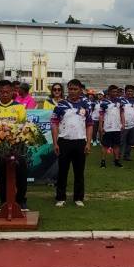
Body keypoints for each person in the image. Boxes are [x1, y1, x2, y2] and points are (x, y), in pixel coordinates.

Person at [0, 79, 30, 211]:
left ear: (12, 92)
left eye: (7, 92)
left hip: (17, 146)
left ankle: (21, 201)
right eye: (2, 92)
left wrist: (13, 135)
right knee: (2, 175)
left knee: (21, 174)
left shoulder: (19, 107)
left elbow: (23, 126)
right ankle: (4, 201)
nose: (5, 94)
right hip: (0, 147)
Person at [52, 78, 94, 208]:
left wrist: (88, 143)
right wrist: (55, 143)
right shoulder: (61, 105)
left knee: (79, 172)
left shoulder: (86, 104)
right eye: (70, 89)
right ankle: (60, 197)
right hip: (64, 142)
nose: (72, 91)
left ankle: (78, 198)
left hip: (80, 142)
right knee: (62, 171)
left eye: (75, 89)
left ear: (80, 90)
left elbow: (89, 124)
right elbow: (54, 124)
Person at [98, 85, 125, 168]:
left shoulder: (120, 101)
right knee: (105, 145)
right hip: (107, 128)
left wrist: (123, 123)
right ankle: (103, 162)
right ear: (109, 92)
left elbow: (122, 113)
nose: (115, 93)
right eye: (113, 91)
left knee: (116, 145)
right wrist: (100, 126)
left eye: (116, 92)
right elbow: (101, 115)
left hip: (117, 127)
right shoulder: (104, 102)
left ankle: (116, 161)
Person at [121, 84, 134, 161]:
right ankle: (118, 156)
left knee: (130, 141)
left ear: (133, 92)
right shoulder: (121, 101)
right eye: (128, 91)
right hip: (124, 125)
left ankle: (127, 155)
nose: (130, 92)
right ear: (125, 92)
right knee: (121, 141)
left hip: (133, 125)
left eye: (131, 91)